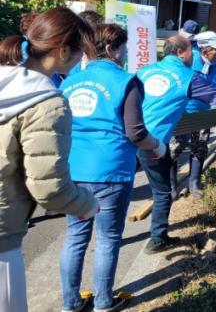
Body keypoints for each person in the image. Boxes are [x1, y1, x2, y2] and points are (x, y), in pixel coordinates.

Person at [59, 24, 165, 312]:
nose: (125, 54)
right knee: (107, 238)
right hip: (111, 170)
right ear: (110, 48)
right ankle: (104, 302)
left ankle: (70, 303)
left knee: (75, 236)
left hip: (74, 169)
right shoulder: (126, 81)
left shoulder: (70, 82)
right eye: (124, 48)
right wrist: (158, 146)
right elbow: (136, 132)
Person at [0, 7, 98, 312]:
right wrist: (87, 204)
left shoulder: (6, 81)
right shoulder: (46, 102)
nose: (81, 59)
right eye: (81, 51)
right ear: (63, 51)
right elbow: (49, 187)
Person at [136, 35, 216, 254]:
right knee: (162, 192)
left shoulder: (144, 72)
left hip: (129, 136)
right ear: (180, 52)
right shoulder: (187, 77)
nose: (192, 55)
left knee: (116, 192)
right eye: (189, 50)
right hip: (152, 142)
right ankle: (157, 239)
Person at [170, 31, 216, 199]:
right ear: (204, 50)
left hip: (203, 115)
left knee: (200, 147)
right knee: (174, 149)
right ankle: (171, 184)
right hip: (181, 113)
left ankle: (194, 182)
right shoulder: (188, 61)